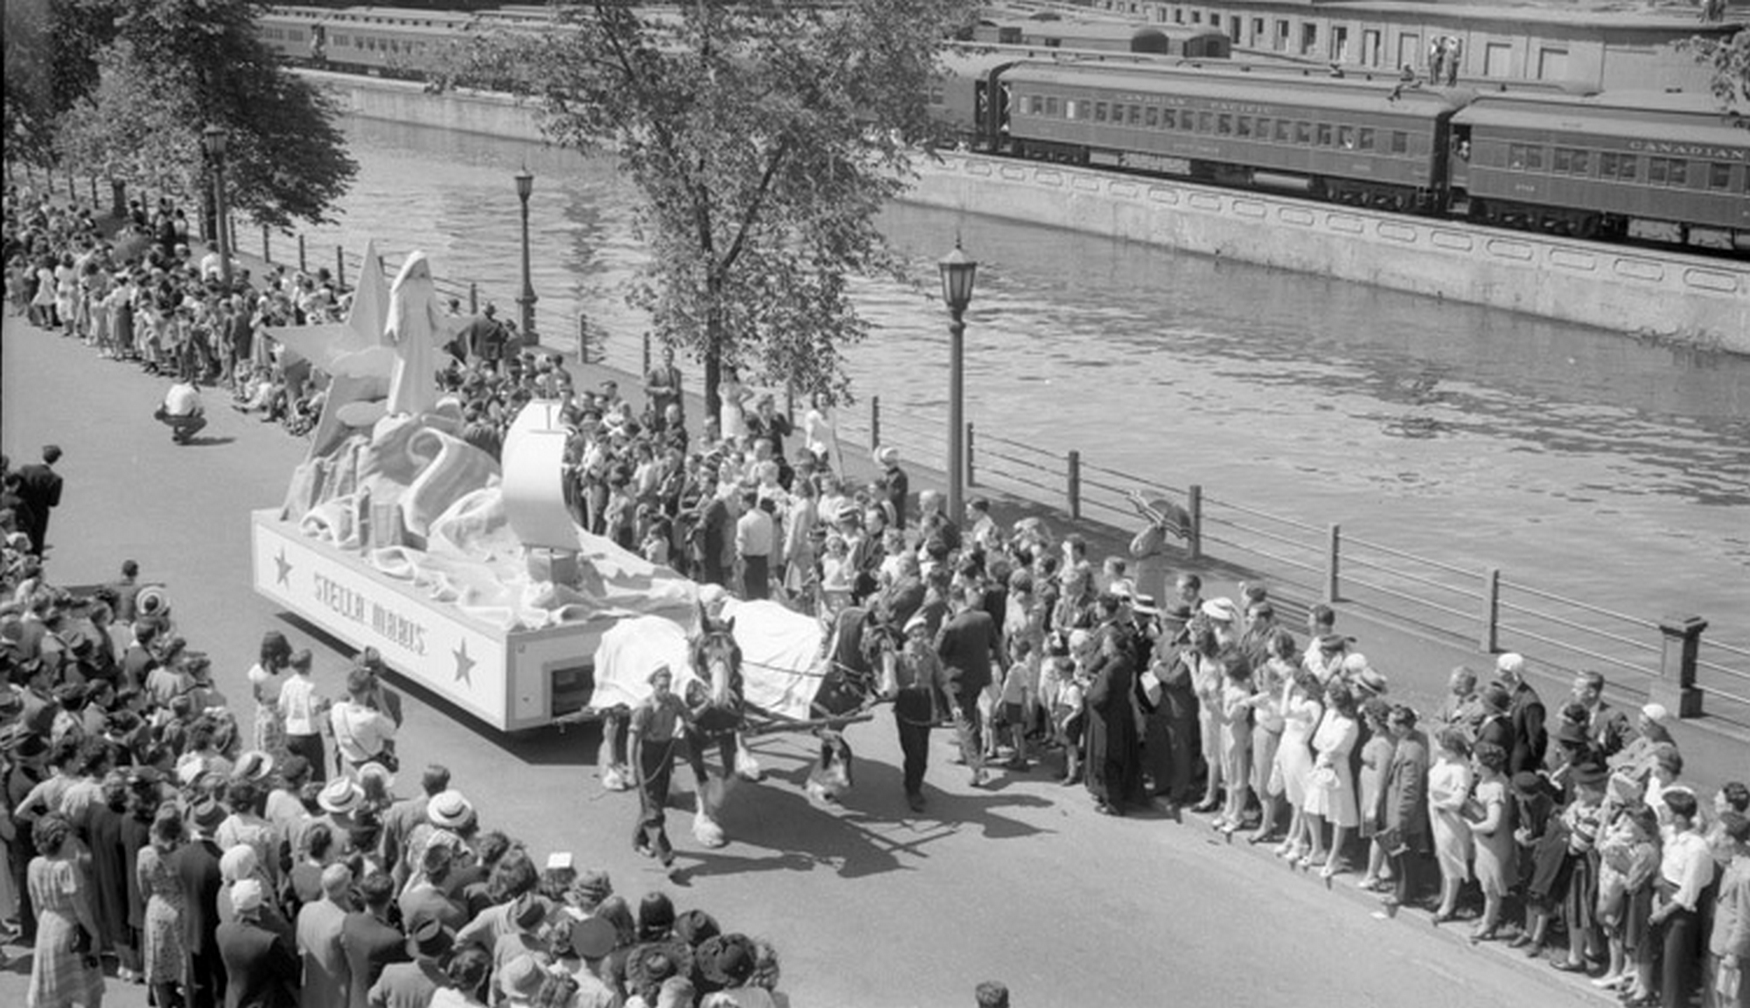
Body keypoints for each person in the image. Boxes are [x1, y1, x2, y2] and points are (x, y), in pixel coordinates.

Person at [27, 812, 106, 1008]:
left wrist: (45, 928)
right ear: (61, 839)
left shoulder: (34, 865)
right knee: (89, 989)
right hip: (72, 930)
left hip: (47, 927)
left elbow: (36, 904)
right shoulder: (67, 868)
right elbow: (80, 908)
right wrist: (95, 934)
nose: (74, 841)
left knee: (59, 993)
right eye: (71, 837)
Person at [936, 587, 1004, 789]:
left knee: (964, 721)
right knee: (971, 716)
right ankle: (966, 753)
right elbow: (995, 643)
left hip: (959, 679)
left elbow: (937, 651)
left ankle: (977, 768)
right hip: (980, 675)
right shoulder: (985, 618)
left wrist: (942, 627)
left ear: (951, 602)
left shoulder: (952, 626)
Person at [629, 666, 688, 879]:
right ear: (653, 685)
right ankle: (668, 860)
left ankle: (638, 841)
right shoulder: (644, 707)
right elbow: (632, 739)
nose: (665, 690)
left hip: (665, 752)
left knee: (655, 802)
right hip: (647, 756)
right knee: (654, 811)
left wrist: (708, 704)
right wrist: (631, 769)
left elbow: (689, 717)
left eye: (667, 686)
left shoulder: (675, 701)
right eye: (661, 686)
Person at [889, 614, 949, 812]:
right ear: (908, 637)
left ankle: (915, 783)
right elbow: (889, 683)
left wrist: (954, 703)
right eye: (915, 635)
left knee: (922, 755)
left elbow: (941, 680)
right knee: (913, 751)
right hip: (906, 704)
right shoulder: (898, 657)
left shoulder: (931, 655)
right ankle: (912, 790)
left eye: (923, 635)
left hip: (925, 705)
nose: (920, 639)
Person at [1083, 626, 1140, 816]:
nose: (1104, 648)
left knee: (1106, 760)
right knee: (1117, 758)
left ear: (1114, 646)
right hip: (1120, 716)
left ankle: (1113, 803)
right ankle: (1114, 798)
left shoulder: (1112, 666)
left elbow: (1099, 697)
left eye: (1106, 644)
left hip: (1107, 720)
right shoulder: (1126, 662)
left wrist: (1089, 689)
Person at [217, 878, 300, 1008]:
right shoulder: (268, 941)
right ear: (259, 903)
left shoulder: (221, 931)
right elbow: (291, 972)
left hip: (235, 999)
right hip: (264, 1002)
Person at [384, 252, 446, 417]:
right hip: (408, 328)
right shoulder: (402, 287)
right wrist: (397, 329)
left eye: (424, 264)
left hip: (423, 327)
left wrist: (442, 325)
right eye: (419, 264)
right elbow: (397, 310)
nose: (423, 268)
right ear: (411, 266)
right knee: (406, 364)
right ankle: (400, 404)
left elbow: (434, 308)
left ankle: (422, 404)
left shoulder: (427, 286)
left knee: (423, 363)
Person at [1466, 741, 1515, 943]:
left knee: (1491, 886)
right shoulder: (1490, 780)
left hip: (1493, 844)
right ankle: (1488, 918)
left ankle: (1488, 924)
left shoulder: (1495, 789)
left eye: (1475, 761)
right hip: (1486, 842)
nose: (1472, 763)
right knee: (1486, 882)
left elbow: (1493, 823)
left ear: (1486, 764)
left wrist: (1471, 827)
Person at [1428, 728, 1474, 923]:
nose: (1437, 749)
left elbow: (1459, 799)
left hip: (1451, 818)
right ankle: (1443, 895)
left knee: (1451, 857)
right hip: (1435, 812)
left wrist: (1443, 805)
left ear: (1452, 749)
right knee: (1442, 854)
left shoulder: (1462, 769)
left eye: (1441, 746)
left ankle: (1449, 905)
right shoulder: (1443, 760)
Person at [15, 445, 63, 558]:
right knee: (37, 544)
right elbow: (53, 502)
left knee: (20, 542)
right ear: (55, 460)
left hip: (22, 511)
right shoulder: (55, 479)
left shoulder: (25, 469)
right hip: (39, 514)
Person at [157, 374, 208, 444]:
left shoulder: (175, 387)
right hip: (179, 419)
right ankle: (182, 435)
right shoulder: (192, 391)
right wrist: (194, 413)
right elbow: (201, 410)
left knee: (178, 408)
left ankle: (176, 432)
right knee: (202, 422)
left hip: (166, 417)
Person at [644, 346, 683, 430]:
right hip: (659, 408)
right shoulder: (654, 371)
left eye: (670, 356)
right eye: (666, 356)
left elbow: (679, 391)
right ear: (662, 357)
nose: (668, 358)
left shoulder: (677, 373)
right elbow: (647, 388)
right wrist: (662, 390)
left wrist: (681, 410)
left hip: (672, 410)